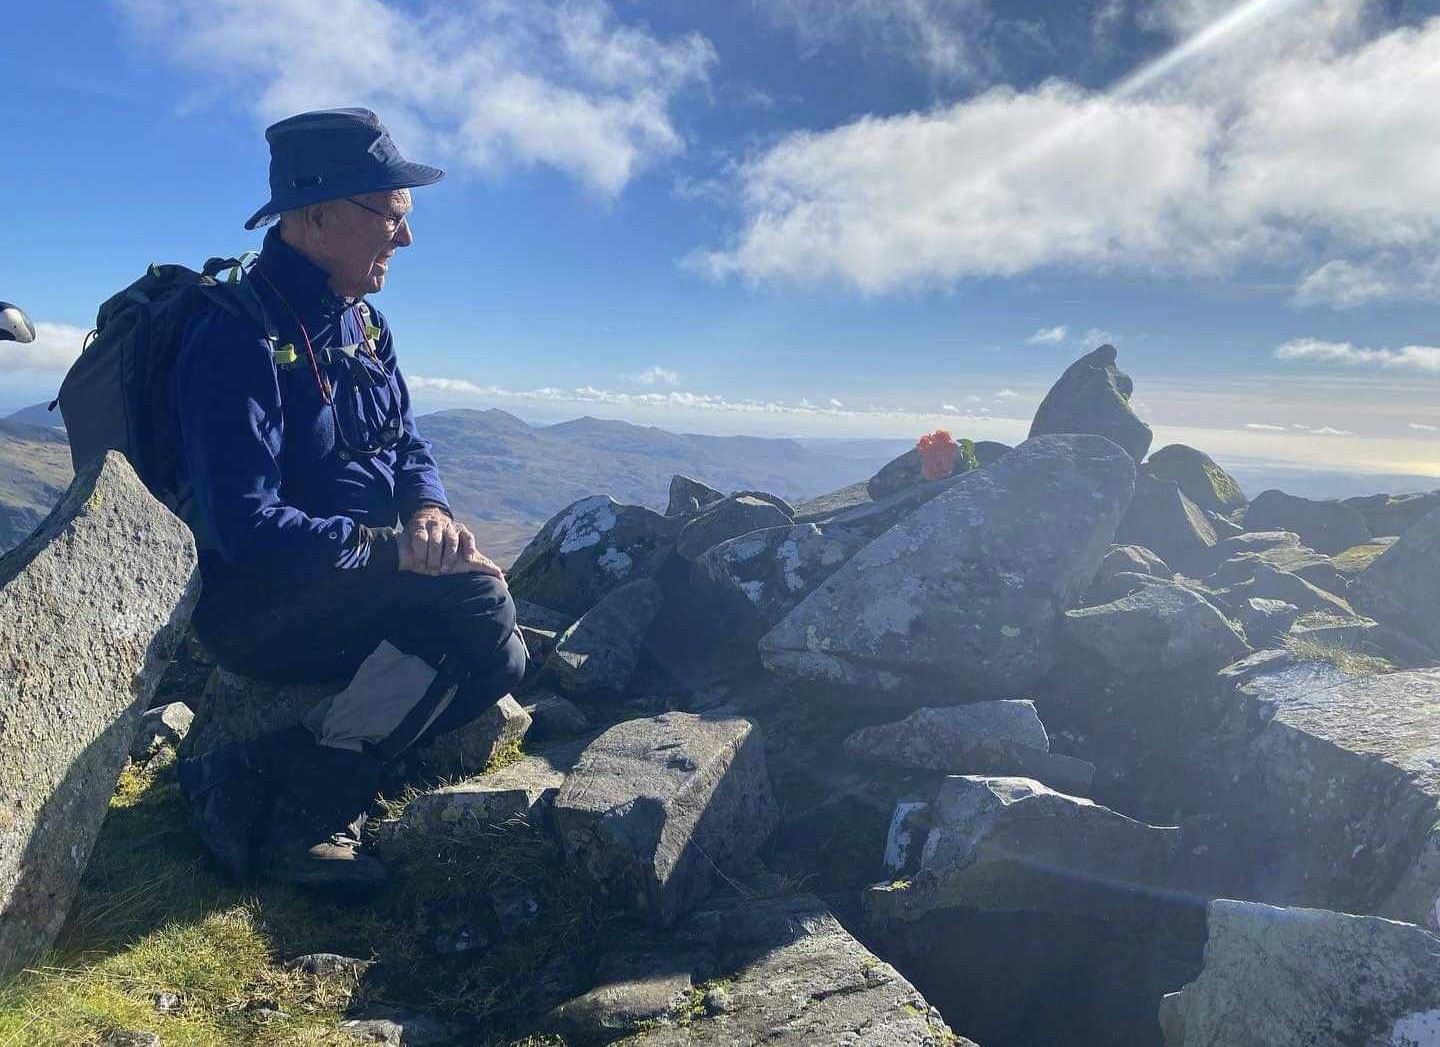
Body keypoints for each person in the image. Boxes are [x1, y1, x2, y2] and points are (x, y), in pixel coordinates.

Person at [173, 108, 526, 893]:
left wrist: (428, 512)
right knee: (479, 621)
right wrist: (391, 551)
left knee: (501, 646)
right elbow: (246, 525)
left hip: (350, 579)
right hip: (263, 604)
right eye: (391, 215)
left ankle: (250, 769)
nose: (405, 238)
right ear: (317, 215)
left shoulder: (364, 324)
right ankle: (309, 818)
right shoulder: (235, 336)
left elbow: (406, 443)